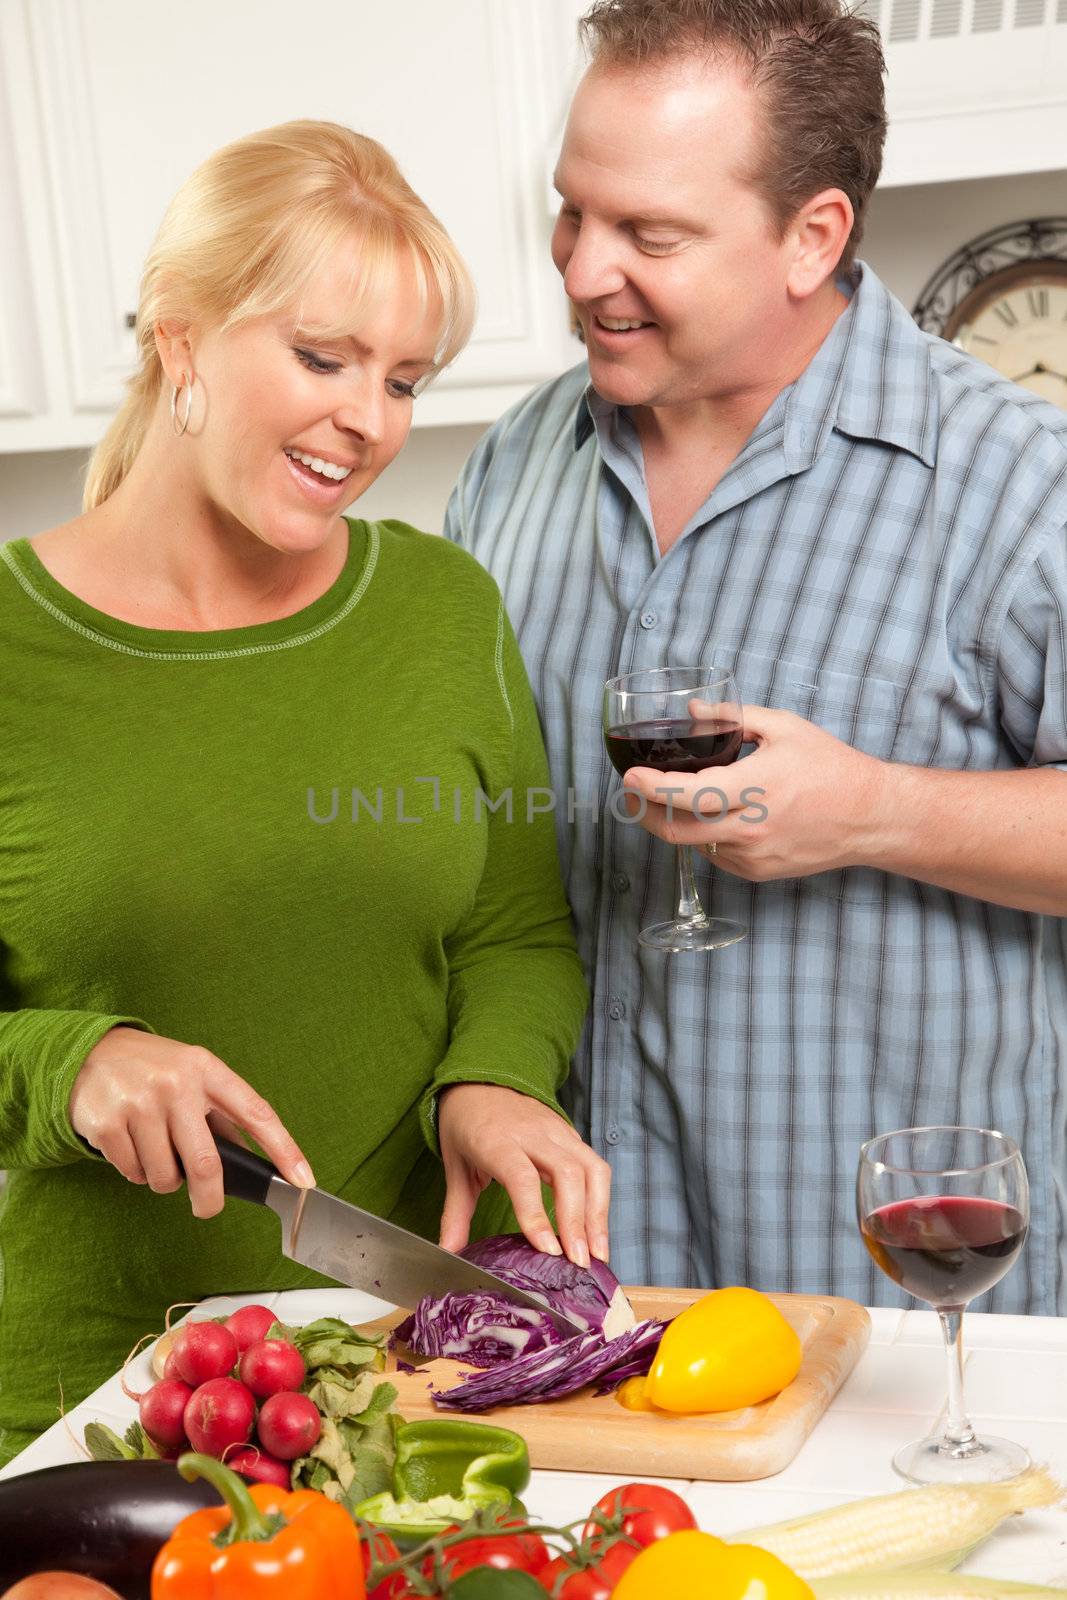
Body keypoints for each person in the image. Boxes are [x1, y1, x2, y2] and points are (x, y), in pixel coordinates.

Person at [0, 119, 609, 1464]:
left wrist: (497, 1081)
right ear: (182, 346)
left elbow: (513, 930)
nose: (369, 420)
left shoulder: (441, 611)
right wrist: (72, 1059)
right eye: (323, 358)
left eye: (403, 378)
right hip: (91, 1400)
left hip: (398, 1389)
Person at [445, 0, 1067, 1311]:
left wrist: (878, 809)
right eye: (573, 211)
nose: (578, 269)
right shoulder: (512, 466)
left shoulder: (1016, 484)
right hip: (583, 1309)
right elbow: (487, 867)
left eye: (648, 234)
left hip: (903, 1302)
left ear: (811, 237)